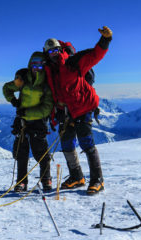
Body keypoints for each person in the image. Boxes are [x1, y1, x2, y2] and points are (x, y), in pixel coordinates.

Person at [42, 26, 113, 195]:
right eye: (50, 51)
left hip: (83, 107)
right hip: (65, 111)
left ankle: (97, 180)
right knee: (66, 144)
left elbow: (94, 56)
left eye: (56, 50)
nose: (53, 53)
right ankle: (77, 177)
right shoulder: (49, 71)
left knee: (86, 143)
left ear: (61, 49)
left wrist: (105, 40)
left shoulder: (72, 62)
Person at [2, 51, 54, 192]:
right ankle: (22, 182)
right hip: (23, 122)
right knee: (21, 152)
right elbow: (7, 88)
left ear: (44, 66)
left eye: (40, 65)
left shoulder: (46, 83)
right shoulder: (23, 79)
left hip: (37, 121)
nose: (37, 68)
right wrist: (13, 100)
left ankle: (46, 180)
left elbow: (47, 108)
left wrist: (26, 112)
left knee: (41, 153)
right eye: (34, 64)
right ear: (30, 65)